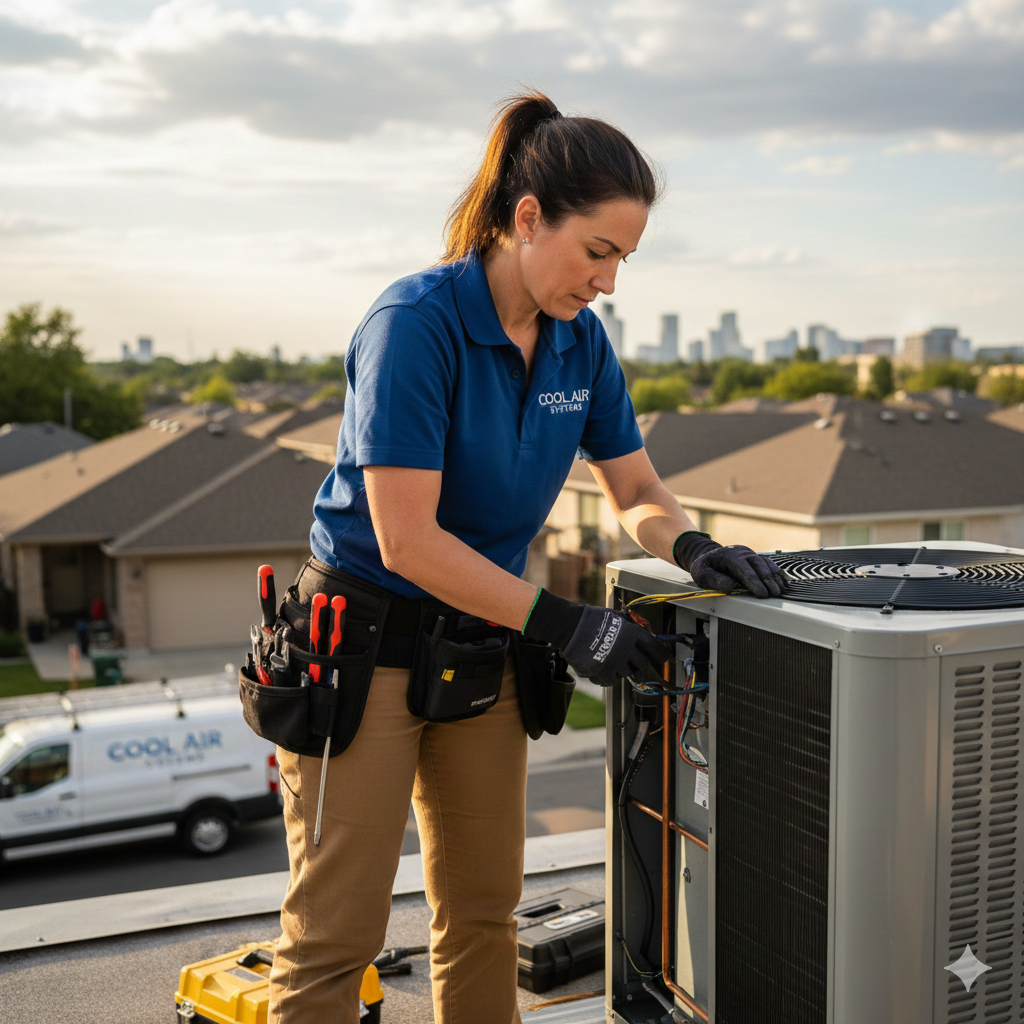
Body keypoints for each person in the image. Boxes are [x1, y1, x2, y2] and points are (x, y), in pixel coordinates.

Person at [269, 91, 784, 1024]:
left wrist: (695, 545)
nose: (610, 283)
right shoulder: (415, 324)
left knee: (483, 918)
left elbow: (635, 494)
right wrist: (568, 626)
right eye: (598, 253)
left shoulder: (581, 346)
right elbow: (406, 538)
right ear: (528, 218)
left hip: (483, 646)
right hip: (363, 648)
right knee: (333, 943)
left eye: (624, 260)